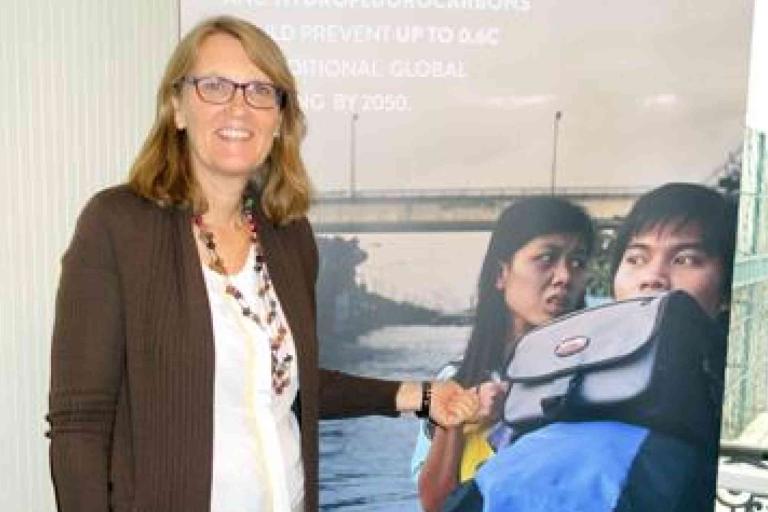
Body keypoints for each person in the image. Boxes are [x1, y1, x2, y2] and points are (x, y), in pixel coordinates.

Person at [46, 16, 478, 512]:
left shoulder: (288, 235)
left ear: (279, 120)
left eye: (259, 90)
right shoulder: (118, 225)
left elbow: (289, 387)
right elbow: (80, 422)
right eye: (214, 86)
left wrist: (421, 395)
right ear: (177, 107)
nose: (238, 106)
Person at [446, 183, 737, 512]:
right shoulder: (545, 382)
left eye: (685, 259)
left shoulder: (740, 406)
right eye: (636, 258)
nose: (653, 277)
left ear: (728, 290)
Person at [410, 197, 596, 512]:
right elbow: (435, 506)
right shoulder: (453, 383)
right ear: (501, 273)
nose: (565, 276)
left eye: (577, 262)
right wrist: (457, 418)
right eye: (546, 258)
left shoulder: (598, 379)